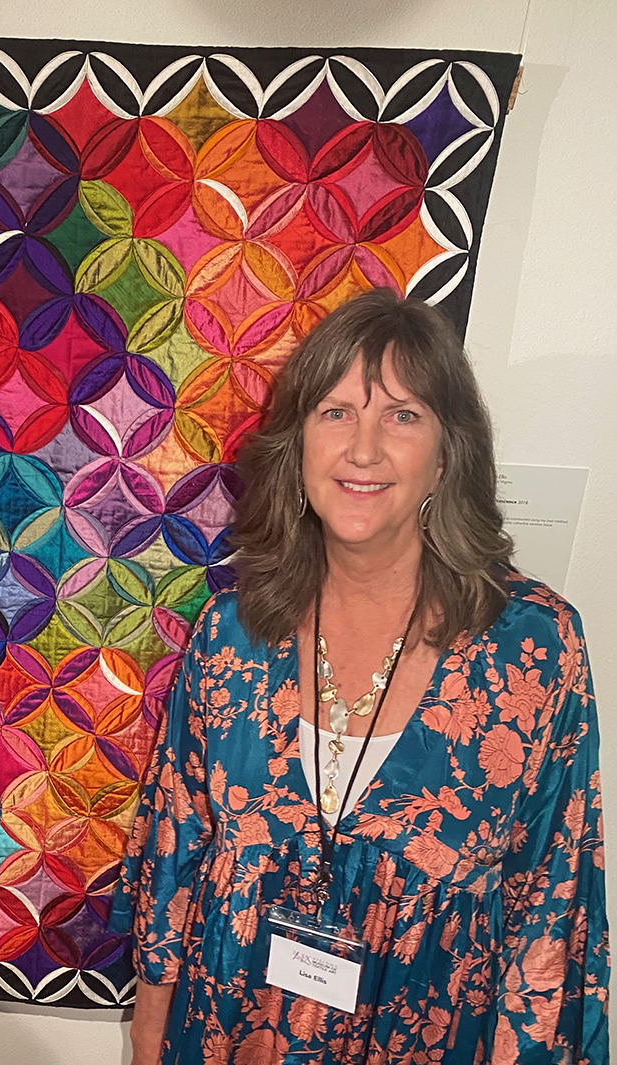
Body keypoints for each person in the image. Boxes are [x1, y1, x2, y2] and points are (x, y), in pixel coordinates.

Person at [111, 289, 609, 1064]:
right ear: (298, 445)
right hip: (228, 1032)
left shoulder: (533, 650)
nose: (364, 449)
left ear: (446, 456)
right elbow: (173, 857)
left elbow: (552, 904)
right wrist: (149, 1036)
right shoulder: (233, 635)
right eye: (336, 412)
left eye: (402, 415)